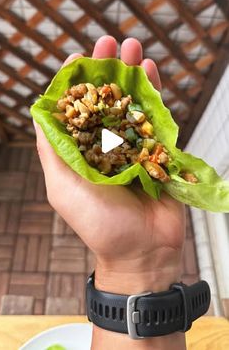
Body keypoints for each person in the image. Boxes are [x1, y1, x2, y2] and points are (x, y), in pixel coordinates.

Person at [34, 36, 186, 349]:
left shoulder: (122, 133)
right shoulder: (99, 127)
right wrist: (135, 264)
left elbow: (114, 138)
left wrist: (136, 266)